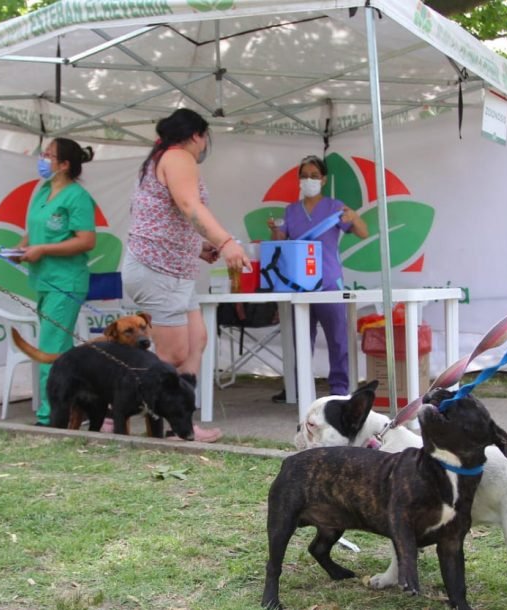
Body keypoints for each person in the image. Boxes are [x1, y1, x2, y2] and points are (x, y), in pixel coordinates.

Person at [123, 108, 248, 443]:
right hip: (156, 271)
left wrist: (198, 248)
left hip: (175, 270)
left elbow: (164, 219)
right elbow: (190, 207)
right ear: (197, 135)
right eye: (205, 137)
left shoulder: (166, 158)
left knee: (197, 342)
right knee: (172, 355)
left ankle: (183, 423)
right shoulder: (178, 157)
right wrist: (225, 242)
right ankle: (122, 414)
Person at [265, 154, 369, 401]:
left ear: (323, 180)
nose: (308, 180)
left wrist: (354, 217)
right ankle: (300, 387)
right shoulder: (290, 211)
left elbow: (363, 233)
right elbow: (281, 243)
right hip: (299, 283)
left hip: (329, 280)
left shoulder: (335, 207)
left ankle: (339, 390)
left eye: (314, 176)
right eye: (304, 176)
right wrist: (274, 230)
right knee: (300, 337)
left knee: (337, 337)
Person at [13, 138, 97, 427]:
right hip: (44, 279)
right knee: (61, 348)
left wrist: (43, 250)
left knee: (50, 349)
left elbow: (86, 240)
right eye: (43, 153)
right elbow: (32, 230)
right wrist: (22, 248)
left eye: (49, 155)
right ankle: (76, 407)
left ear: (64, 165)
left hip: (66, 281)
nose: (42, 158)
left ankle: (51, 416)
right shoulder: (42, 190)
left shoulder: (77, 197)